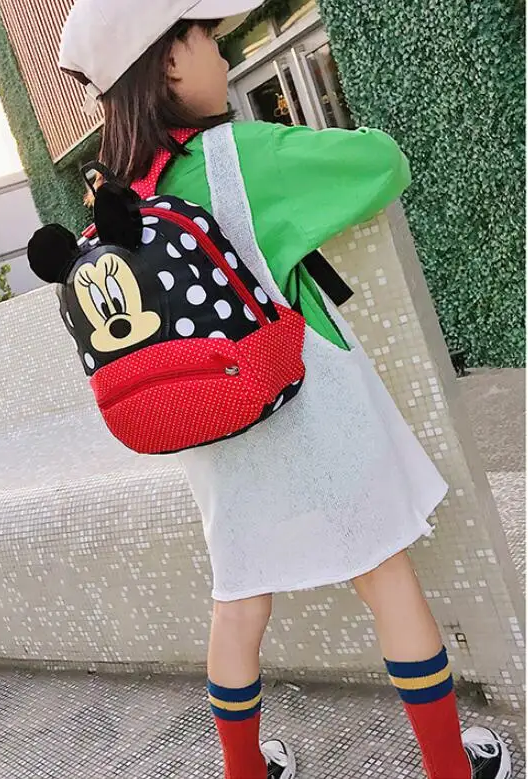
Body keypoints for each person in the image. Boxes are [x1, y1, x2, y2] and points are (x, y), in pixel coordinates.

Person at [58, 2, 512, 778]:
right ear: (168, 60)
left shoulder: (112, 204)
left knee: (238, 604)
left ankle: (244, 770)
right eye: (207, 39)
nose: (224, 56)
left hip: (214, 439)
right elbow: (381, 163)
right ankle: (448, 767)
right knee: (385, 579)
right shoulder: (241, 156)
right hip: (309, 408)